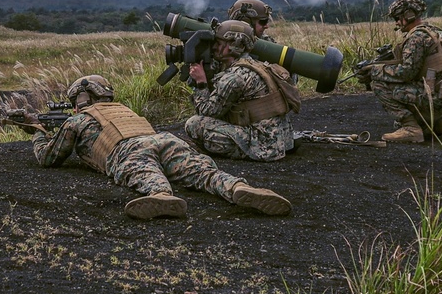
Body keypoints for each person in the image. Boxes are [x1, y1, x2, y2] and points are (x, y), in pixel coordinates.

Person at [27, 74, 292, 219]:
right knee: (202, 172)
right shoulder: (123, 109)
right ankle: (238, 187)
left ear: (80, 99)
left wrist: (36, 132)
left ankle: (162, 197)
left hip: (128, 148)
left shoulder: (78, 120)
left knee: (146, 173)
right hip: (164, 139)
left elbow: (48, 158)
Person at [357, 0, 442, 143]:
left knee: (378, 83)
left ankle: (411, 128)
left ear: (408, 15)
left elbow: (406, 72)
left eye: (398, 18)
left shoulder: (416, 38)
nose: (397, 23)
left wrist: (374, 71)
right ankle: (440, 122)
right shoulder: (435, 32)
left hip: (432, 97)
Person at [185, 19, 298, 161]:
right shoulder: (256, 65)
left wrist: (200, 82)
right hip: (279, 142)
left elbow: (207, 112)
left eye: (219, 44)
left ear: (234, 45)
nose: (214, 47)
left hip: (263, 147)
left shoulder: (235, 77)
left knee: (195, 124)